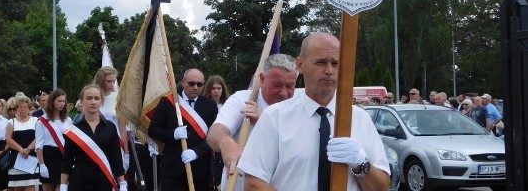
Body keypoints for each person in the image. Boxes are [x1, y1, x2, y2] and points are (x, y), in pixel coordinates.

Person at [237, 32, 390, 190]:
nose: (329, 70)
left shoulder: (360, 119)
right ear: (300, 65)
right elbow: (253, 184)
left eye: (335, 63)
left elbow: (382, 186)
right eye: (321, 62)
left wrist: (361, 164)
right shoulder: (274, 118)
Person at [206, 54, 298, 191]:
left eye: (290, 86)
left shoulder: (299, 107)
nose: (284, 93)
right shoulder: (242, 99)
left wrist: (263, 122)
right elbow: (215, 132)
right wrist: (227, 144)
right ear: (262, 79)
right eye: (277, 85)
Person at [148, 68, 218, 191]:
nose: (196, 87)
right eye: (192, 83)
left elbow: (214, 136)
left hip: (200, 169)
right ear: (183, 82)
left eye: (200, 84)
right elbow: (153, 130)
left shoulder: (210, 105)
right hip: (174, 169)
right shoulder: (168, 102)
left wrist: (196, 152)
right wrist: (172, 134)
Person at [60, 84, 127, 191]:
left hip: (103, 182)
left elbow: (116, 158)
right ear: (81, 101)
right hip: (79, 183)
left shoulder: (110, 127)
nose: (93, 102)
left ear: (101, 101)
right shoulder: (74, 129)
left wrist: (122, 183)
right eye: (89, 98)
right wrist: (63, 185)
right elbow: (67, 160)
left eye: (97, 98)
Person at [36, 89, 72, 191]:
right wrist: (41, 164)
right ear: (52, 101)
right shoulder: (42, 121)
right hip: (48, 157)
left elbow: (71, 141)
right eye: (59, 101)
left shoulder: (68, 120)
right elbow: (39, 144)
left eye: (63, 101)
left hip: (63, 156)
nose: (62, 104)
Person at [6, 95, 39, 190]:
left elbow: (39, 137)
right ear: (17, 109)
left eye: (25, 107)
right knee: (18, 187)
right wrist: (21, 150)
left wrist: (28, 149)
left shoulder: (35, 120)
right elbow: (8, 139)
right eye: (21, 107)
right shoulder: (11, 122)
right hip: (17, 158)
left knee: (31, 185)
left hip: (31, 157)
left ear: (29, 108)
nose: (23, 109)